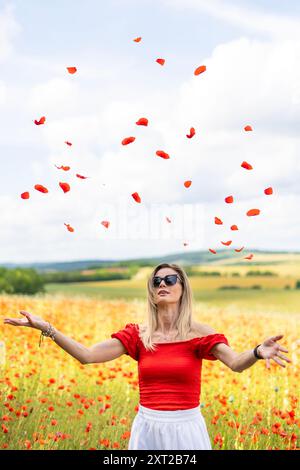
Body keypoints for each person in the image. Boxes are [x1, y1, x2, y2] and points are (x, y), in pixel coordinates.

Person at [3, 263, 291, 450]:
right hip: (147, 428)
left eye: (170, 279)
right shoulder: (138, 335)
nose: (162, 284)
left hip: (186, 430)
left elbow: (236, 363)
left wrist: (256, 351)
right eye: (156, 282)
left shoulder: (199, 333)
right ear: (152, 292)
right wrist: (47, 328)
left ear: (183, 288)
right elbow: (88, 356)